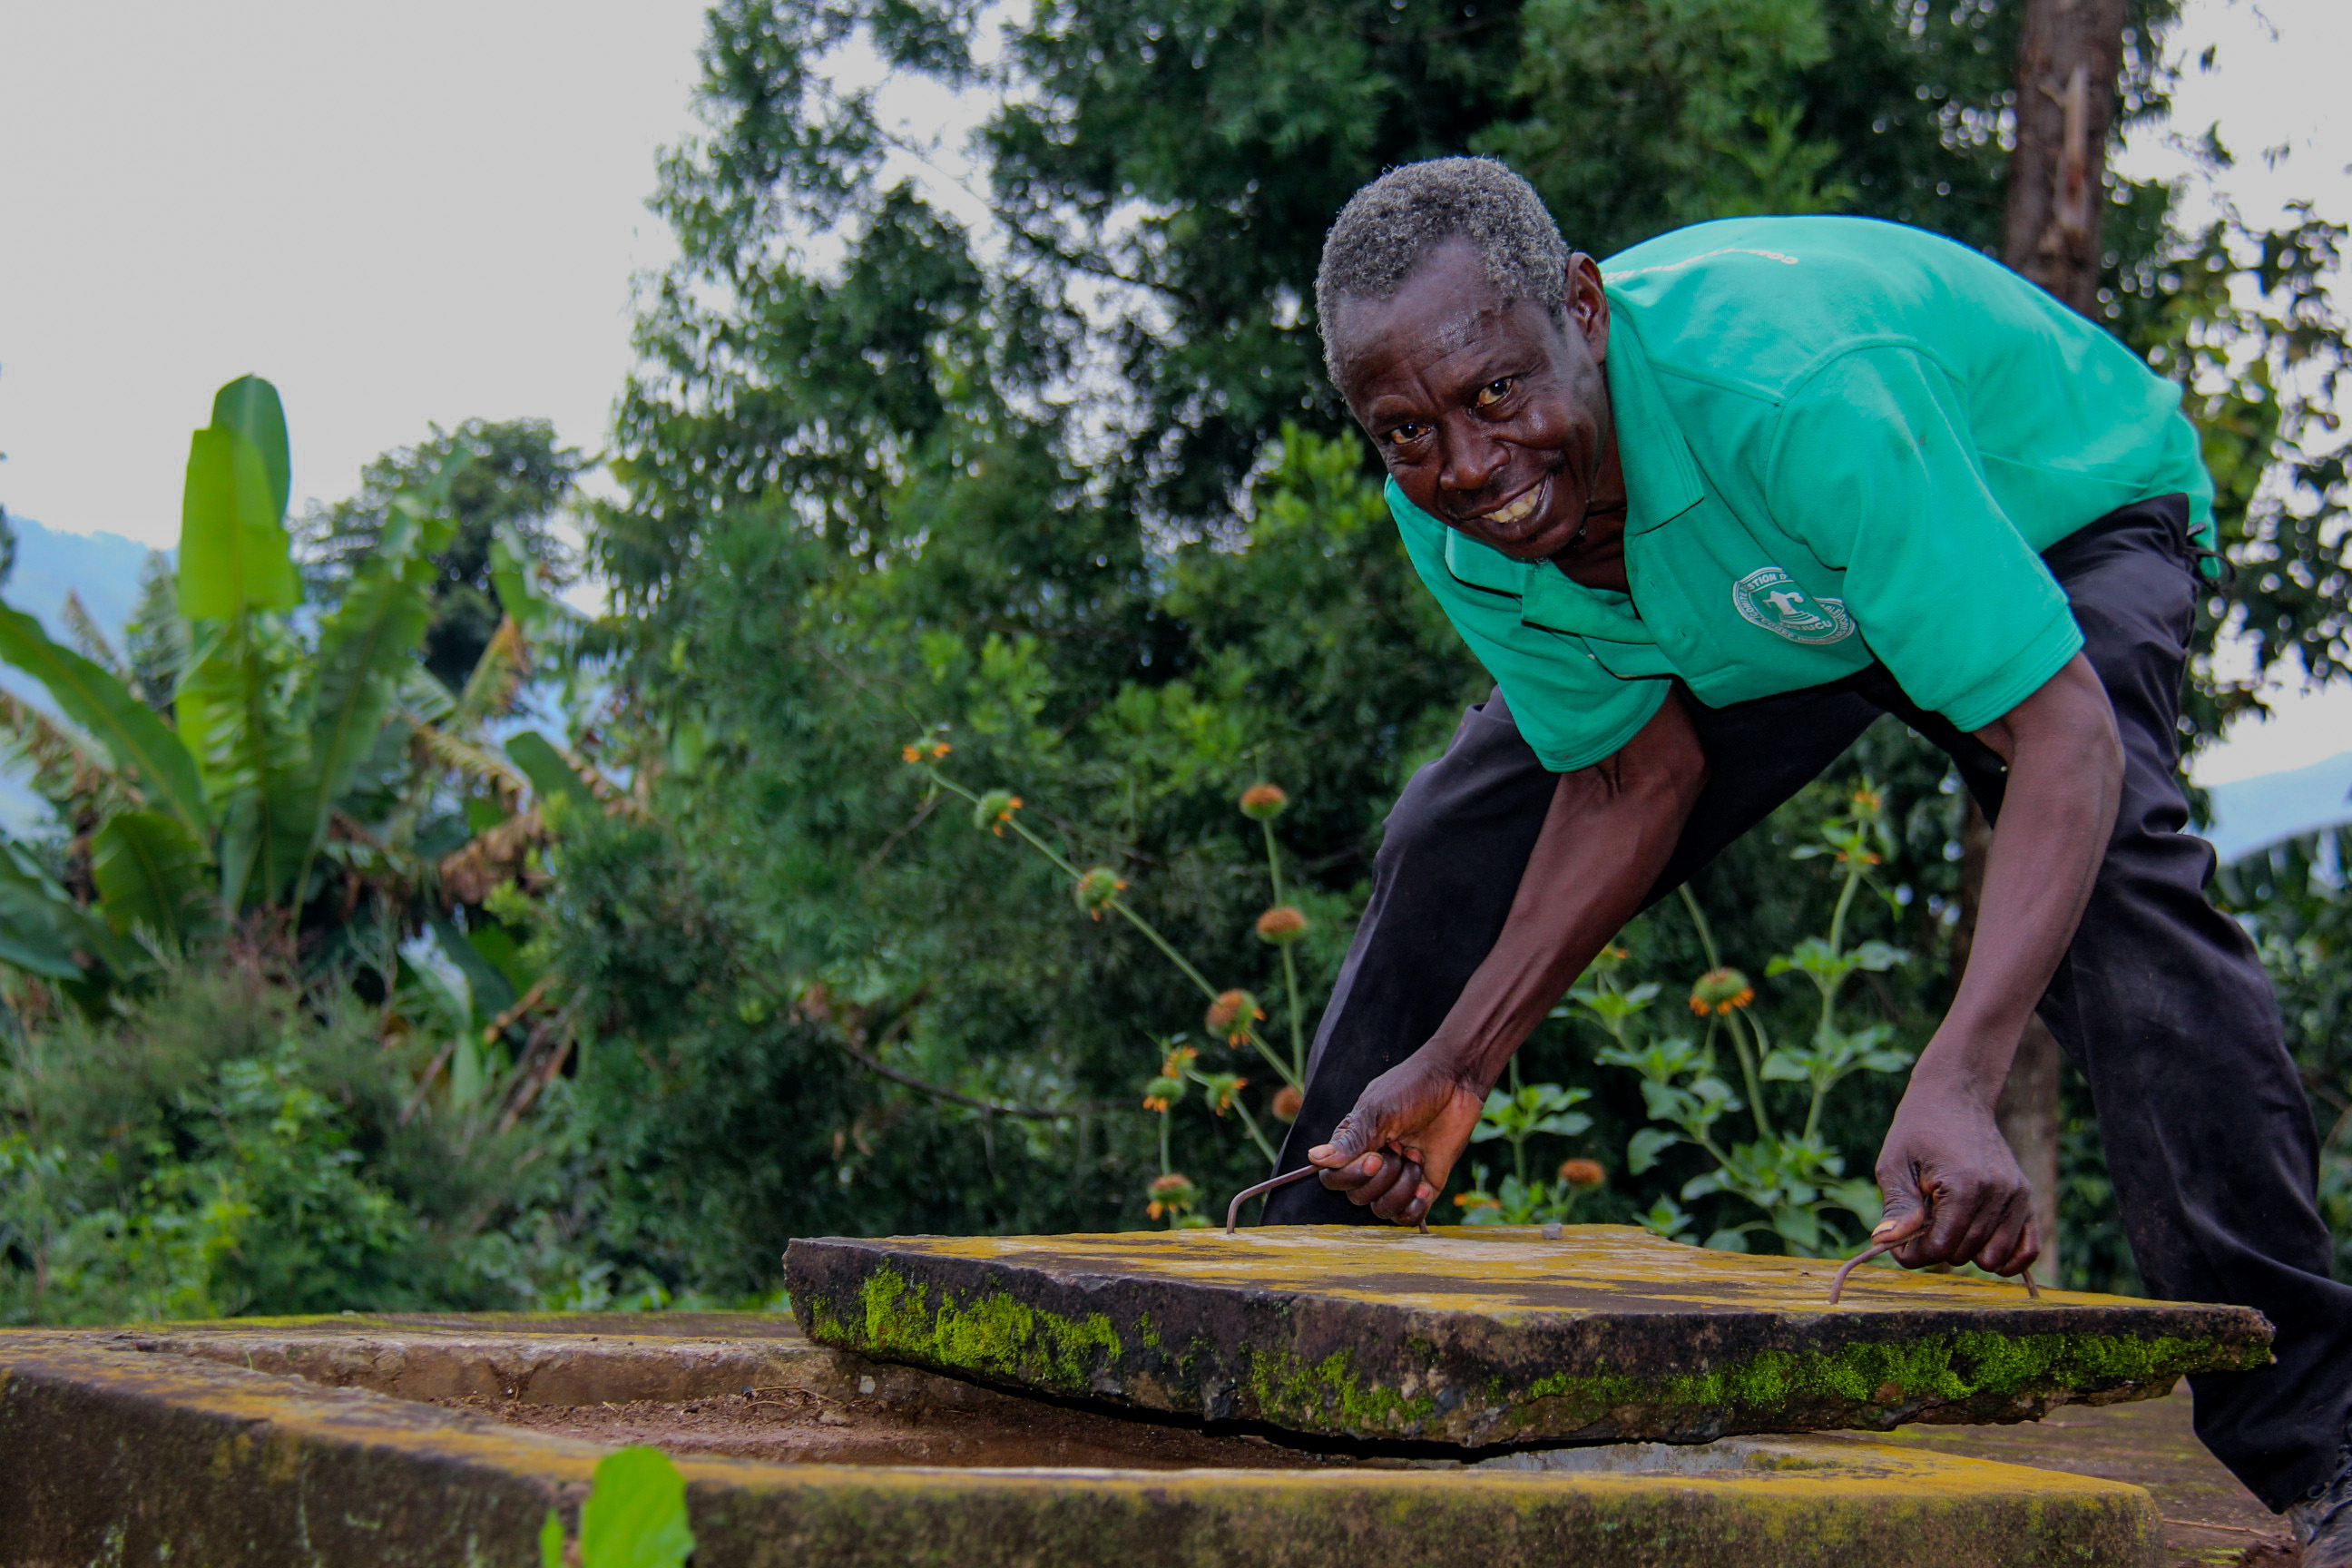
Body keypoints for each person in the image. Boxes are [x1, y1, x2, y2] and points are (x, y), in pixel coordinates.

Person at [1260, 156, 2352, 1556]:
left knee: (2118, 885)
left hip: (2044, 507)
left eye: (1496, 395)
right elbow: (1629, 778)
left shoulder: (1789, 398)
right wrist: (1466, 1058)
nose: (1469, 468)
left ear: (1583, 311)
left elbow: (2068, 745)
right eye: (1405, 431)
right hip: (1768, 586)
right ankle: (1302, 1329)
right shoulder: (1455, 514)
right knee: (1455, 830)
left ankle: (2313, 1441)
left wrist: (1959, 1077)